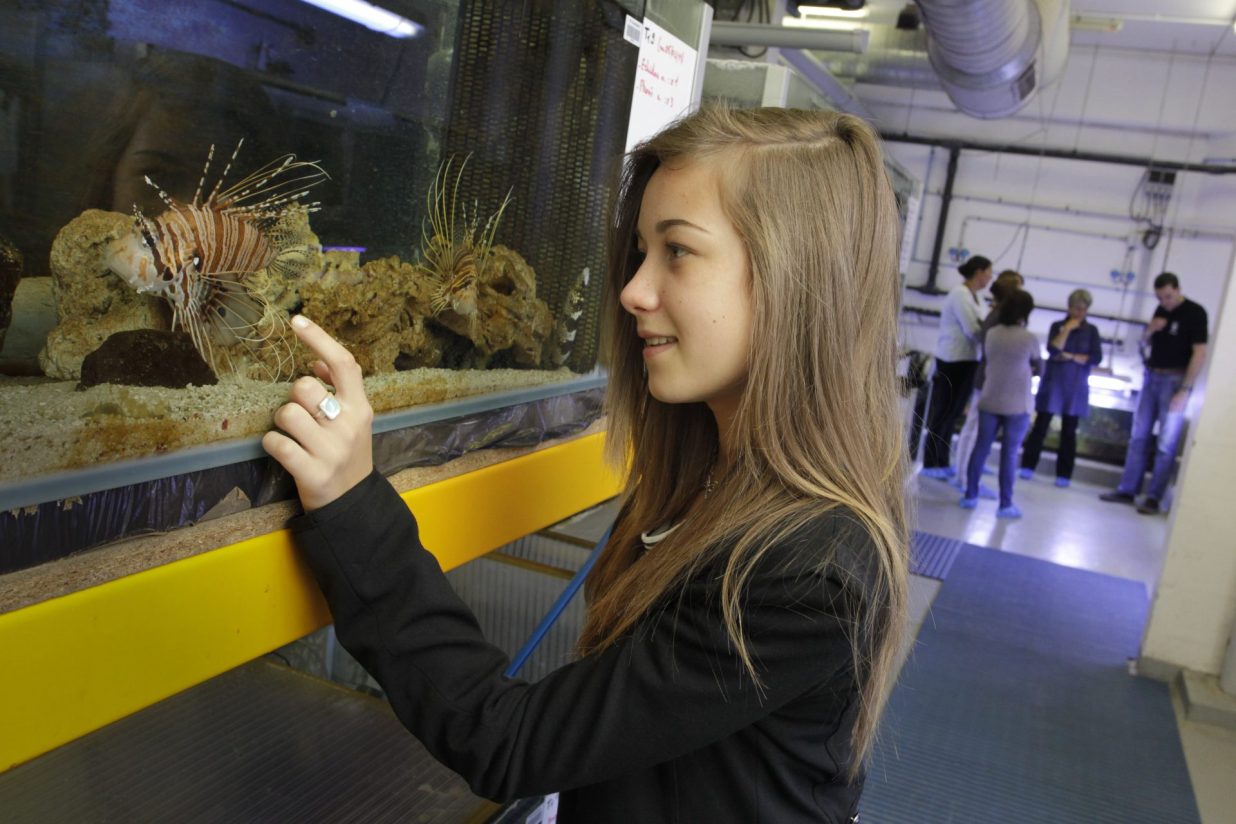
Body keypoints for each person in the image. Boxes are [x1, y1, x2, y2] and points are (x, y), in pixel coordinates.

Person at [261, 106, 909, 823]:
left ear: (796, 280)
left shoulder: (807, 567)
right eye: (640, 250)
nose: (634, 290)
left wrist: (353, 501)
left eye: (679, 251)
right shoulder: (715, 479)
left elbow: (509, 741)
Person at [1100, 272, 1208, 515]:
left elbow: (1199, 353)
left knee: (1166, 443)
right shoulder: (1160, 312)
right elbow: (1144, 345)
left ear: (1178, 289)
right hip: (1152, 376)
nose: (1165, 302)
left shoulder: (1195, 313)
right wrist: (1150, 330)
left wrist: (1185, 389)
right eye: (1160, 298)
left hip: (1175, 379)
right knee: (1139, 436)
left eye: (1168, 297)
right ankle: (1128, 489)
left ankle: (1154, 497)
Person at [960, 289, 1040, 518]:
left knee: (980, 448)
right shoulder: (1029, 338)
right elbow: (1039, 369)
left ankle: (970, 495)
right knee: (1010, 454)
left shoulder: (992, 334)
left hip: (989, 398)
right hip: (1018, 405)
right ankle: (1005, 504)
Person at [1019, 289, 1104, 487]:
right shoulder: (1057, 326)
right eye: (1076, 308)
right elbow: (1053, 349)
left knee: (1069, 431)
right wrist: (1067, 330)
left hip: (1076, 385)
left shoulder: (1092, 331)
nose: (1080, 313)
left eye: (1084, 309)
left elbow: (1095, 357)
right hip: (1054, 382)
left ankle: (1064, 475)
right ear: (1069, 307)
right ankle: (1027, 467)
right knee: (1041, 426)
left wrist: (1071, 356)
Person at [952, 269, 1024, 497]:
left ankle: (966, 474)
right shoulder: (997, 317)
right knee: (973, 430)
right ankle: (964, 477)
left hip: (990, 379)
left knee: (974, 430)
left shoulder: (998, 315)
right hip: (987, 379)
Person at [920, 255, 993, 479]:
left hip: (968, 359)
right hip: (953, 360)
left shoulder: (976, 298)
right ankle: (931, 462)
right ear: (979, 272)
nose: (990, 278)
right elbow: (972, 328)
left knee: (953, 414)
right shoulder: (960, 295)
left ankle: (942, 459)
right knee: (943, 412)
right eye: (989, 273)